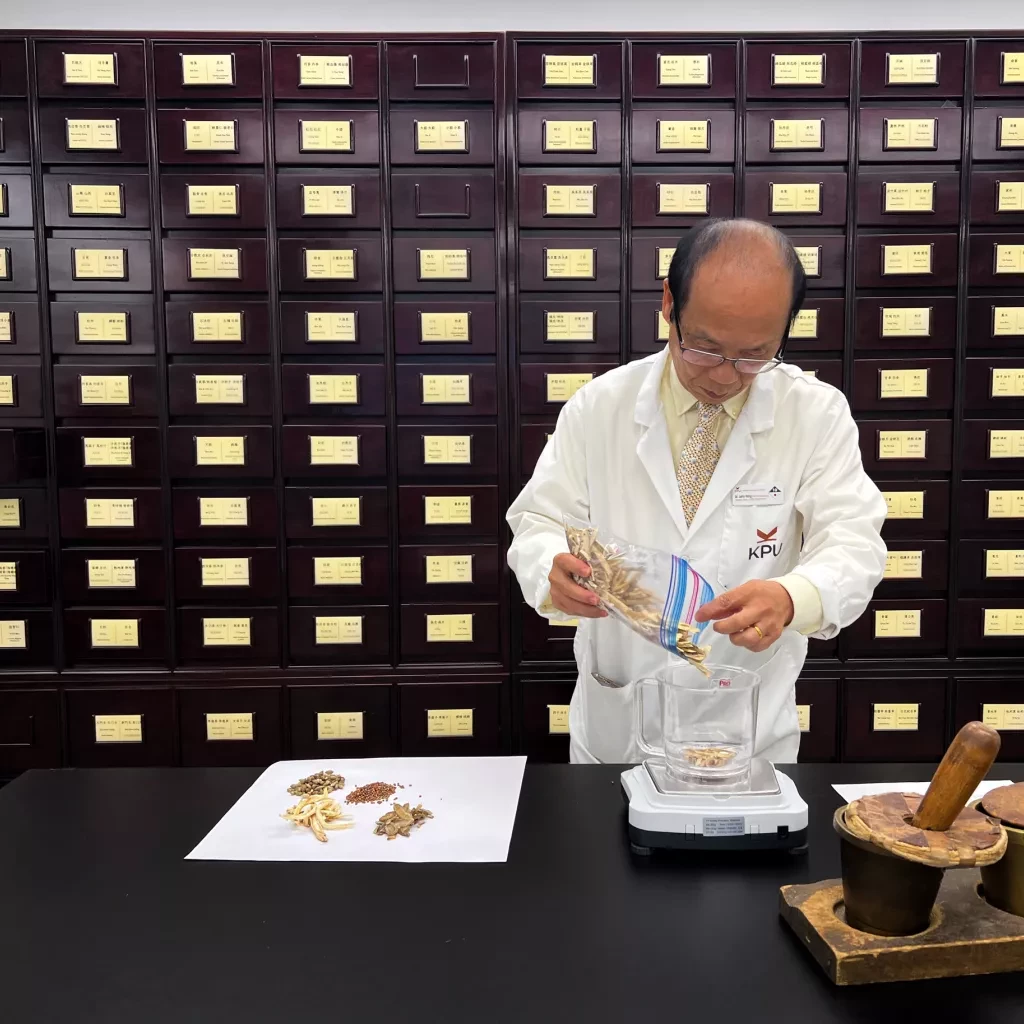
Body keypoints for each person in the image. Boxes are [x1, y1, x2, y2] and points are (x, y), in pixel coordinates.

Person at [506, 219, 887, 764]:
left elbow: (855, 543)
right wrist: (551, 569)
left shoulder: (815, 414)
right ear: (668, 304)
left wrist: (791, 597)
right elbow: (539, 521)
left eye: (755, 355)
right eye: (704, 349)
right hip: (620, 729)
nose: (726, 376)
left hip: (747, 734)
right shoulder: (599, 408)